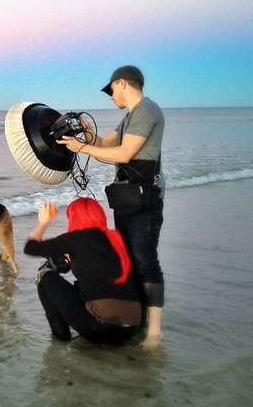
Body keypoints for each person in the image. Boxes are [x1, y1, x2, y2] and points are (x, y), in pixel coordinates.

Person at [56, 65, 165, 341]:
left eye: (111, 90)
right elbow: (103, 143)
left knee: (146, 261)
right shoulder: (130, 118)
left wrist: (81, 148)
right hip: (127, 198)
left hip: (145, 198)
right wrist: (86, 132)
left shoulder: (147, 111)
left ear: (122, 83)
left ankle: (154, 332)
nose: (110, 96)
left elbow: (124, 154)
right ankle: (137, 320)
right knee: (127, 258)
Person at [24, 198, 141, 344]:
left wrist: (43, 222)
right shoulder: (114, 238)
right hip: (130, 330)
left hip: (103, 330)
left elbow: (31, 247)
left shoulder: (77, 237)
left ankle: (61, 340)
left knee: (44, 275)